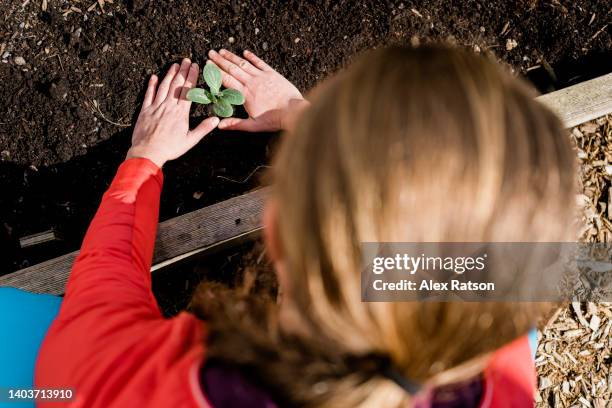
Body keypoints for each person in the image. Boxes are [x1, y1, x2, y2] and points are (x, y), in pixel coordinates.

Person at [33, 45, 575, 407]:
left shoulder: (173, 387)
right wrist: (303, 115)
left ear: (277, 230)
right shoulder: (498, 367)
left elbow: (91, 318)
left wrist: (144, 162)